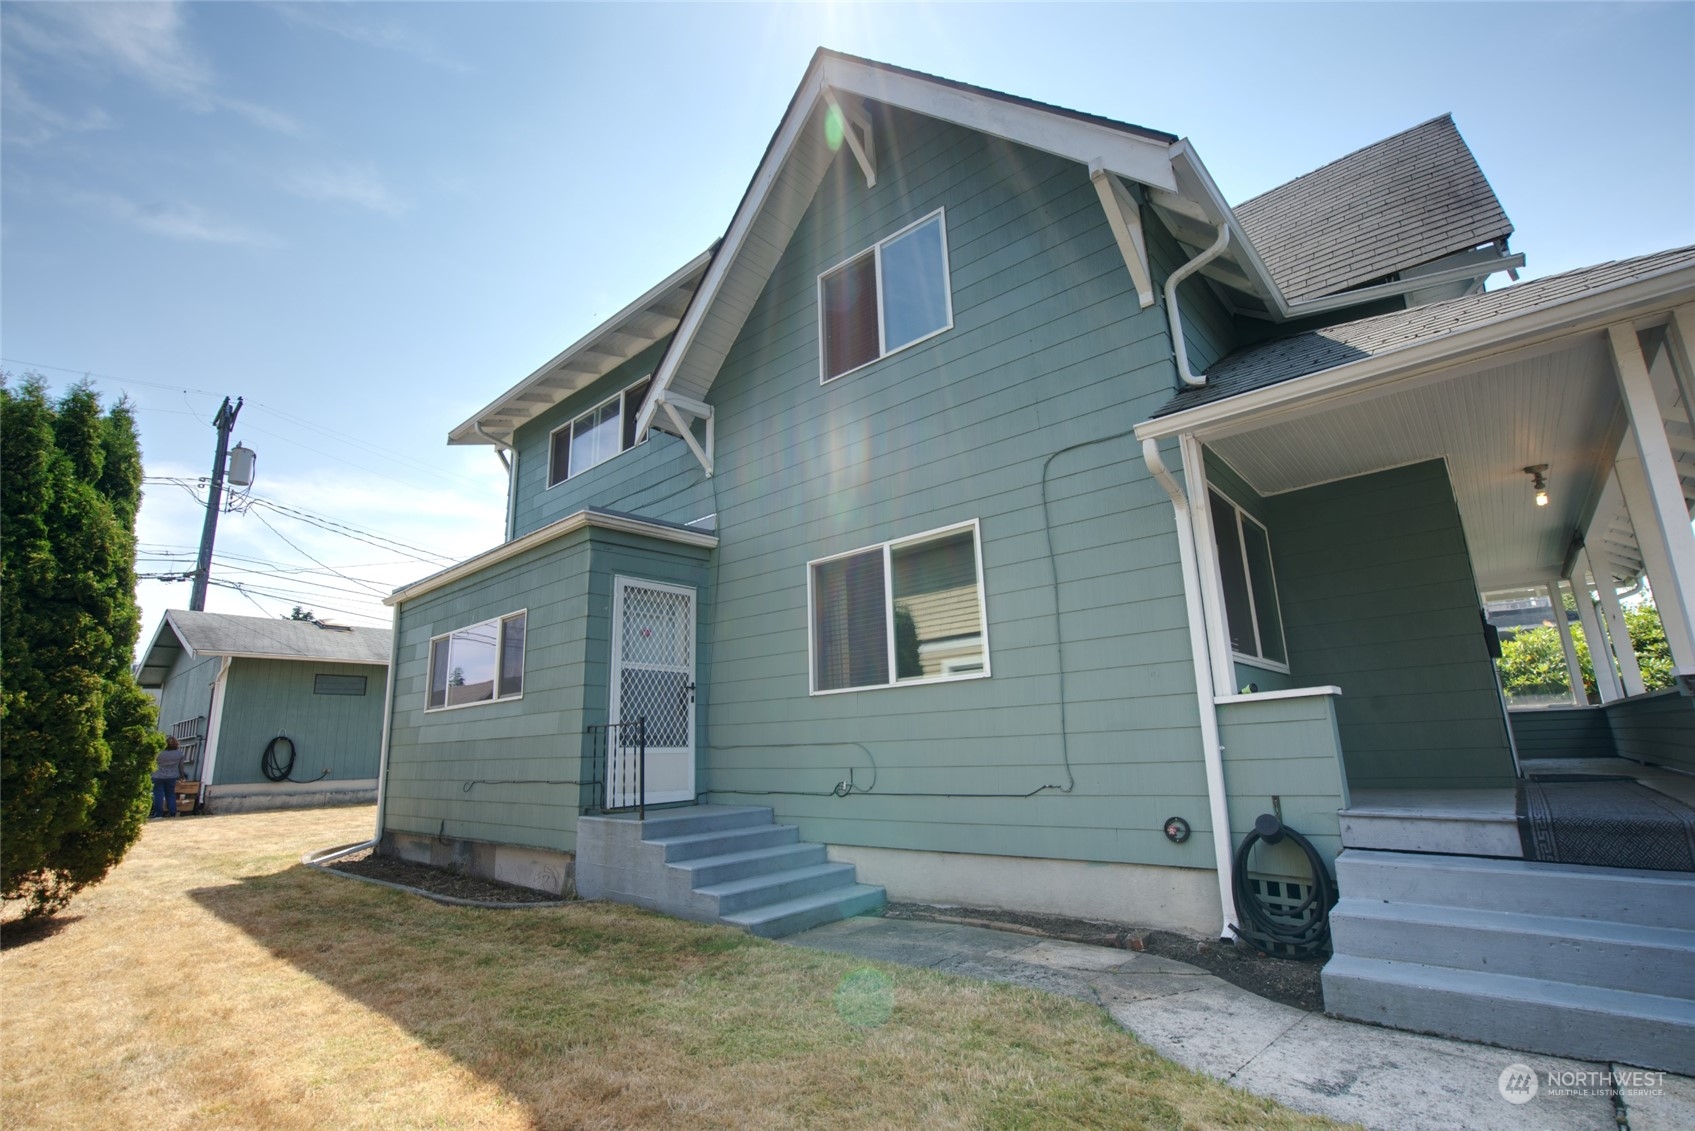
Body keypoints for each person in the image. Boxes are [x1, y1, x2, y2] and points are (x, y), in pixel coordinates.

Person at [151, 736, 187, 818]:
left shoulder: (159, 753)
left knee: (158, 794)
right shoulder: (179, 754)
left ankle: (158, 813)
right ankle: (172, 812)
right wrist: (182, 776)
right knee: (170, 794)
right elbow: (181, 766)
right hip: (172, 776)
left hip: (158, 775)